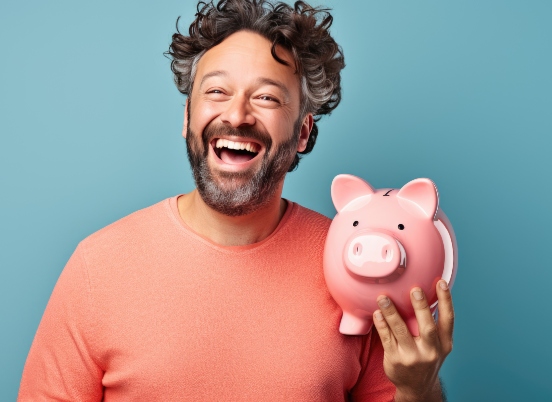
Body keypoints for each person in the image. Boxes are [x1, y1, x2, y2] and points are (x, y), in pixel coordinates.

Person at [18, 1, 454, 400]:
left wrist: (420, 388)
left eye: (266, 97)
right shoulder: (99, 266)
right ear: (188, 118)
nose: (237, 114)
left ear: (302, 131)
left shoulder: (357, 268)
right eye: (216, 91)